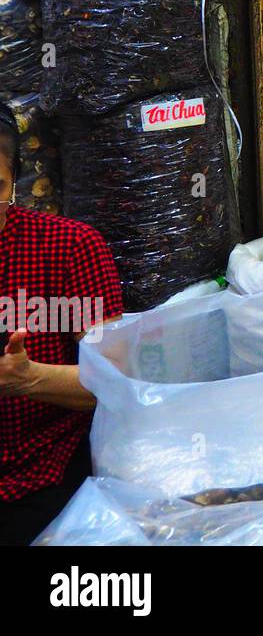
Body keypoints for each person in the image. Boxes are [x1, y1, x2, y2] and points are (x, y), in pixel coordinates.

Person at [0, 102, 124, 546]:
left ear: (15, 179)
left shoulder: (68, 247)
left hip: (45, 468)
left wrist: (31, 379)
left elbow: (118, 383)